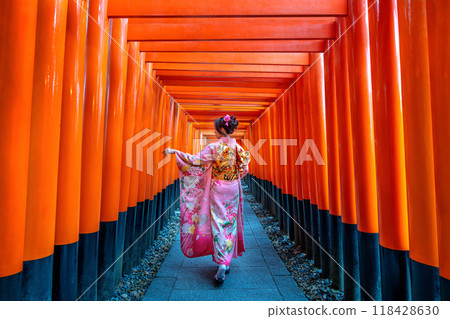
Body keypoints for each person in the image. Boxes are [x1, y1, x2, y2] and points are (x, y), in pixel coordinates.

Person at [163, 115, 251, 283]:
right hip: (232, 187)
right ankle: (225, 261)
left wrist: (176, 152)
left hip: (217, 188)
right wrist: (233, 175)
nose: (214, 131)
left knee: (218, 222)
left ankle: (221, 263)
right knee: (230, 223)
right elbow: (244, 169)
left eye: (216, 129)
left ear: (222, 130)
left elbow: (195, 161)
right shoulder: (239, 149)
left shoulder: (213, 148)